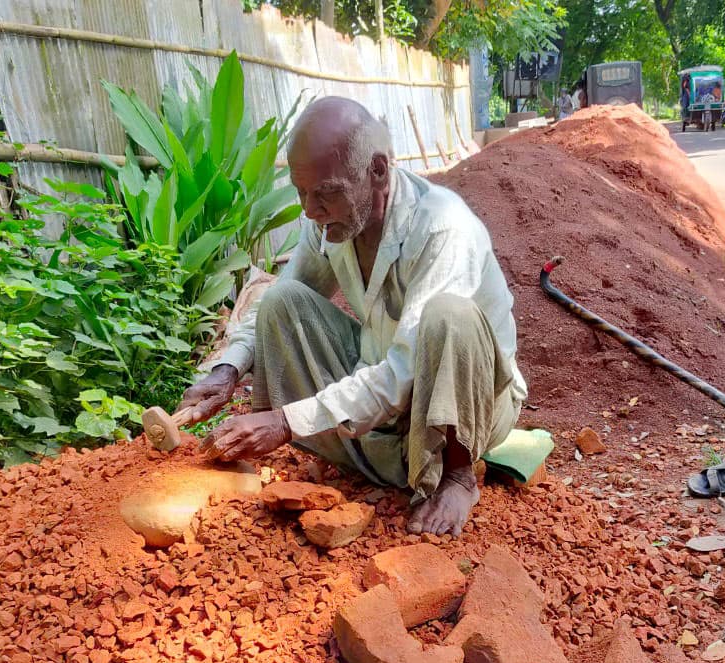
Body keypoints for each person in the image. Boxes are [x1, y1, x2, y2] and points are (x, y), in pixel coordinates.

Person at [177, 97, 526, 537]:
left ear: (378, 171)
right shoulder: (330, 222)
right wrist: (226, 369)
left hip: (470, 400)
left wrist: (287, 422)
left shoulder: (443, 227)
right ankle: (388, 453)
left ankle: (455, 474)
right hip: (387, 382)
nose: (309, 209)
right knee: (283, 301)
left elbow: (403, 369)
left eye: (325, 193)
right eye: (302, 192)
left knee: (448, 316)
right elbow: (283, 298)